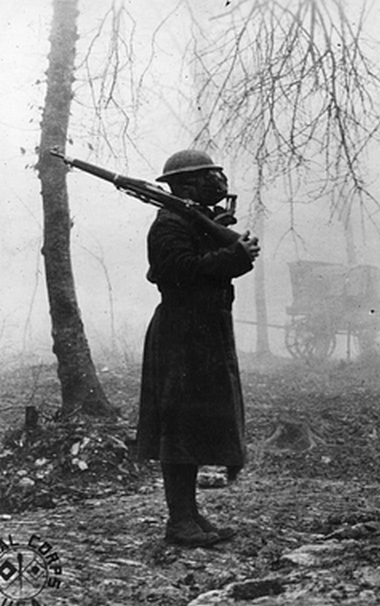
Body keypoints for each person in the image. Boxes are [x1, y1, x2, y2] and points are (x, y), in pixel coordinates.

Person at [136, 149, 261, 547]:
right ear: (188, 183)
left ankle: (190, 514)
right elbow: (180, 273)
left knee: (195, 425)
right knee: (179, 429)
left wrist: (220, 237)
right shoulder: (169, 224)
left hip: (204, 334)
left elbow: (202, 261)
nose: (220, 181)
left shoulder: (194, 218)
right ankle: (179, 522)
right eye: (211, 175)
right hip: (181, 335)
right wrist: (235, 256)